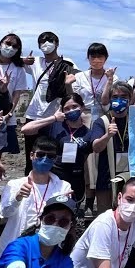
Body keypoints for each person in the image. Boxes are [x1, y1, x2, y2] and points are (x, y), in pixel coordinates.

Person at [21, 93, 103, 211]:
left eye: (74, 106)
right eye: (67, 108)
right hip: (53, 177)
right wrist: (53, 118)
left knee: (70, 213)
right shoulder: (55, 126)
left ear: (82, 107)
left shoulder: (88, 133)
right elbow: (25, 130)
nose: (71, 110)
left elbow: (87, 154)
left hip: (76, 179)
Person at [0, 137, 73, 255]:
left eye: (50, 156)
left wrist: (66, 204)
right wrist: (17, 197)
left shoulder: (63, 187)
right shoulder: (15, 184)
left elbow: (65, 220)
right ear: (31, 155)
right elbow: (4, 213)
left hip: (46, 249)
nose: (45, 159)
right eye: (41, 154)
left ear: (55, 159)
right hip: (15, 247)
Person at [23, 31, 78, 171]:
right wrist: (24, 60)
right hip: (34, 114)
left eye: (50, 40)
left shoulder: (67, 63)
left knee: (54, 154)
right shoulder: (36, 62)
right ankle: (30, 181)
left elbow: (75, 85)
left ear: (57, 44)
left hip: (56, 116)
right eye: (42, 41)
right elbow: (11, 61)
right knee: (32, 155)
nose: (46, 44)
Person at [89, 82, 133, 211]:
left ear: (130, 99)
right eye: (115, 97)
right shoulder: (101, 121)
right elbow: (96, 147)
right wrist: (107, 135)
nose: (119, 100)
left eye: (124, 97)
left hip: (131, 179)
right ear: (110, 99)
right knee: (105, 216)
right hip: (106, 179)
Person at [0, 33, 32, 155]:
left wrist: (9, 114)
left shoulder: (18, 69)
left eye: (15, 46)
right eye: (8, 43)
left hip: (6, 115)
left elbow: (17, 94)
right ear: (0, 44)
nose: (10, 48)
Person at [72, 42, 115, 121]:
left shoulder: (113, 78)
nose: (96, 60)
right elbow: (73, 99)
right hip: (83, 116)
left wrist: (109, 80)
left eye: (100, 56)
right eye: (93, 57)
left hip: (104, 116)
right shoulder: (79, 77)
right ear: (88, 58)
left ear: (106, 58)